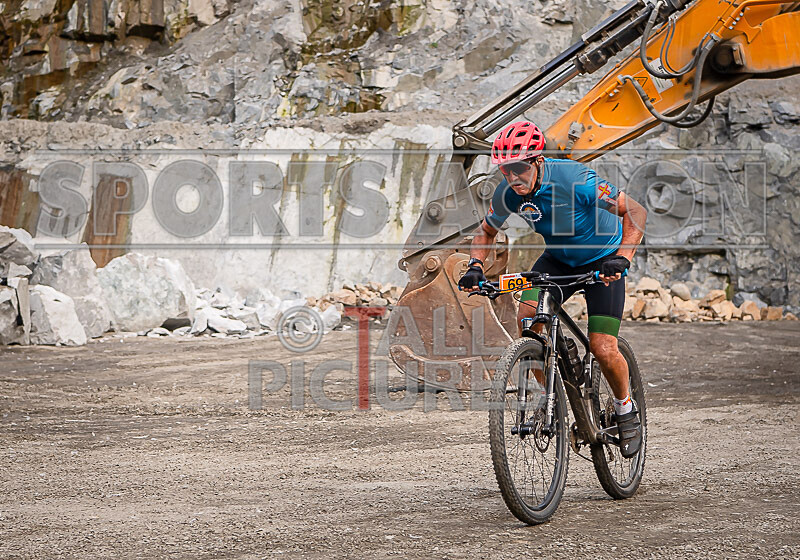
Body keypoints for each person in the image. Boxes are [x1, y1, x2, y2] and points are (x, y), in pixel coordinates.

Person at [457, 120, 648, 458]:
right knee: (528, 321)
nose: (513, 177)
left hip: (602, 261)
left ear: (538, 161)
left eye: (518, 168)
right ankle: (552, 399)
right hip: (556, 261)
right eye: (505, 171)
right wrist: (475, 267)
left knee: (603, 348)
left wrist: (622, 258)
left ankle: (624, 408)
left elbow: (635, 211)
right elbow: (485, 232)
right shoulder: (507, 195)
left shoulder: (576, 180)